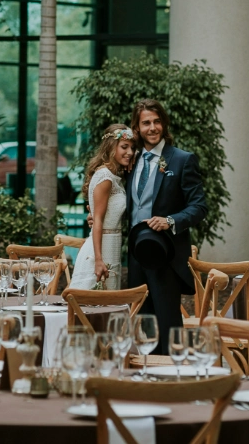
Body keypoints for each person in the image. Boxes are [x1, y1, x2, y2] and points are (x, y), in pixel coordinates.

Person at [125, 99, 206, 355]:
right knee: (140, 321)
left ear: (164, 124)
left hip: (166, 254)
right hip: (136, 255)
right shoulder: (131, 160)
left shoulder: (182, 160)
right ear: (137, 128)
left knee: (167, 323)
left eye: (157, 121)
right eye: (146, 122)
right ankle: (142, 379)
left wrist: (170, 220)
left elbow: (199, 207)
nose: (152, 127)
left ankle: (172, 378)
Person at [69, 124, 135, 290]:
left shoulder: (114, 176)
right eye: (124, 147)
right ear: (111, 146)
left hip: (112, 245)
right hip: (101, 249)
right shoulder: (105, 177)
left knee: (108, 304)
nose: (130, 152)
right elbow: (97, 221)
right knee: (97, 305)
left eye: (132, 148)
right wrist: (98, 260)